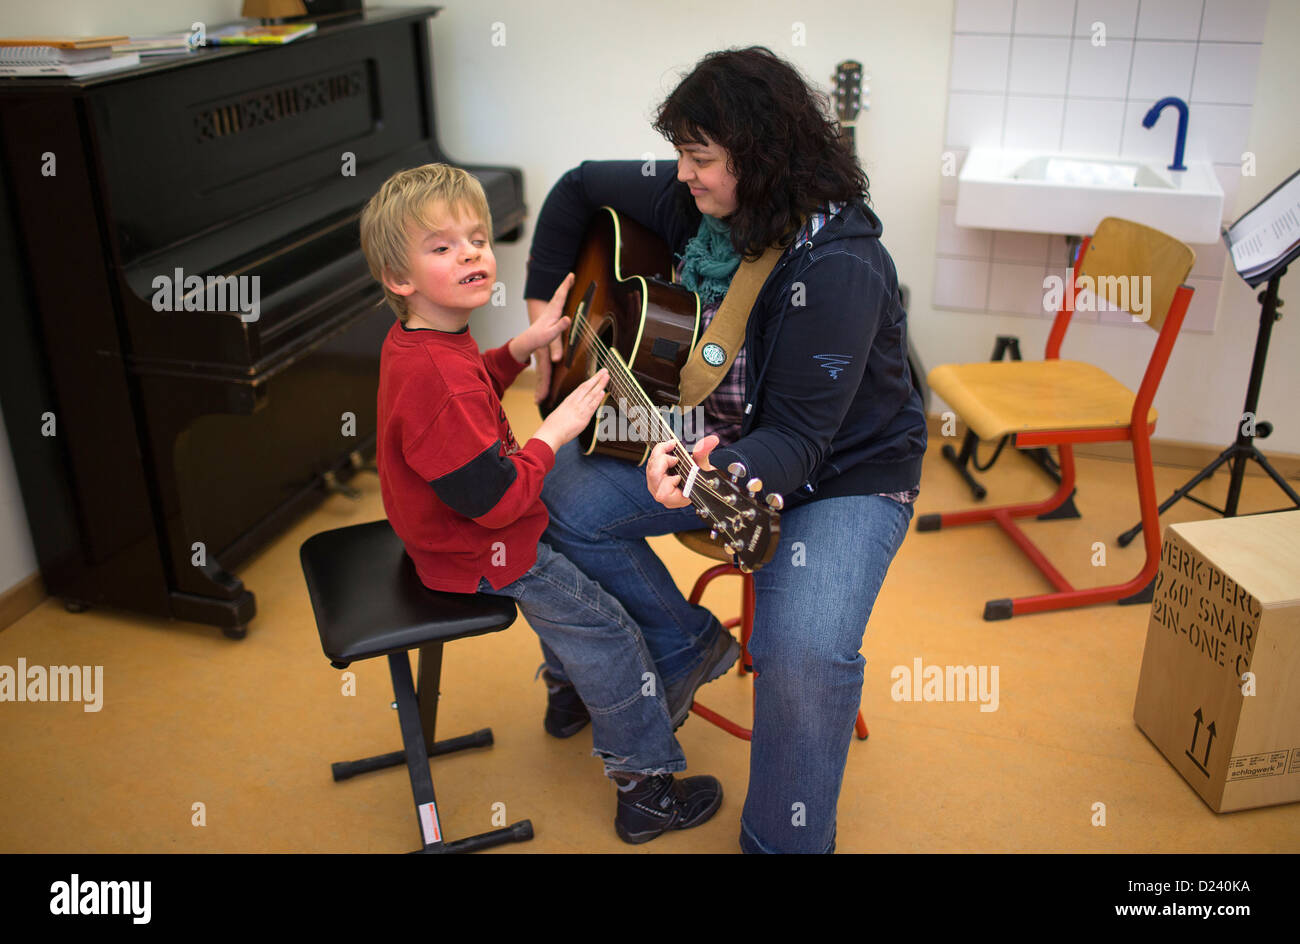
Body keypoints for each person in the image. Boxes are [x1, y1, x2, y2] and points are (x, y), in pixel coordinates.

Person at [524, 47, 927, 853]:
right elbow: (576, 186)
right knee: (542, 502)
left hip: (842, 475)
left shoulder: (842, 266)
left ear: (763, 156)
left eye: (700, 159)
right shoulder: (696, 200)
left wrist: (715, 471)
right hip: (706, 433)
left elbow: (802, 440)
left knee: (803, 656)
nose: (682, 176)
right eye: (681, 153)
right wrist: (547, 310)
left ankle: (781, 841)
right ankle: (680, 645)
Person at [364, 163, 728, 843]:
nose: (471, 253)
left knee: (574, 569)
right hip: (481, 547)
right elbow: (496, 502)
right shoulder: (435, 379)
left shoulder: (425, 338)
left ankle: (567, 698)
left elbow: (471, 383)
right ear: (399, 279)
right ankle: (644, 791)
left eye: (475, 238)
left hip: (453, 535)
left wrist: (518, 349)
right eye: (441, 247)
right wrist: (552, 433)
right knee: (610, 633)